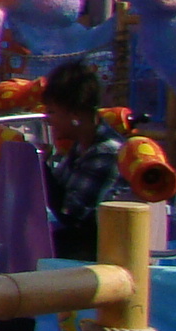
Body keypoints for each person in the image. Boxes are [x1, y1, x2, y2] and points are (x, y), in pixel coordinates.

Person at [43, 59, 126, 261]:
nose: (48, 119)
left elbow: (72, 213)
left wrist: (39, 167)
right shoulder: (81, 147)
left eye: (52, 111)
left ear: (75, 114)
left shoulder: (107, 153)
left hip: (95, 257)